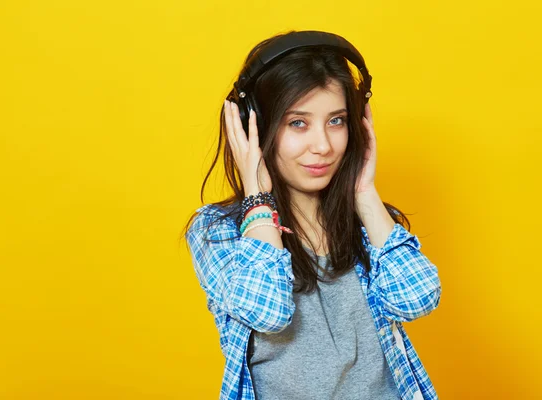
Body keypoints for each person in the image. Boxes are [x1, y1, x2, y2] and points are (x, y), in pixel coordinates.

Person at [183, 30, 442, 400]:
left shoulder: (368, 224)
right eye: (298, 123)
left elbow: (416, 299)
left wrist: (365, 194)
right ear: (251, 128)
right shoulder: (219, 231)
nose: (323, 146)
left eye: (336, 121)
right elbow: (267, 312)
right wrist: (258, 199)